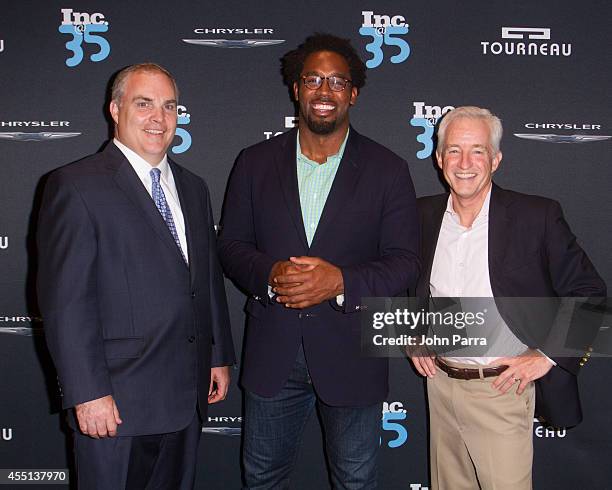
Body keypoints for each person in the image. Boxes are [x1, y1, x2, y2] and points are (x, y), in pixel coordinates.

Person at [218, 33, 420, 489]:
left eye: (336, 81)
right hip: (274, 353)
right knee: (262, 477)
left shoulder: (388, 169)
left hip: (352, 354)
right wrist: (270, 274)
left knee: (355, 480)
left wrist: (341, 281)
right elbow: (230, 246)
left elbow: (405, 261)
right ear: (296, 87)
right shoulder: (254, 163)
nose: (324, 91)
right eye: (313, 79)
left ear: (353, 93)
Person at [37, 63, 235, 489]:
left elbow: (205, 280)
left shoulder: (194, 186)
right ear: (115, 108)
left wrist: (218, 353)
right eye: (143, 104)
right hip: (116, 402)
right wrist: (87, 392)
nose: (158, 118)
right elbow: (66, 302)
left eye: (169, 106)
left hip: (186, 395)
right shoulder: (74, 185)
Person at [409, 106, 606, 490]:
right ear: (438, 158)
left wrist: (548, 354)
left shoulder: (537, 216)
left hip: (501, 392)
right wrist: (414, 336)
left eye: (478, 151)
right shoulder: (421, 215)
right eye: (454, 150)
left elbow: (590, 293)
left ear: (496, 159)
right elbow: (409, 284)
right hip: (440, 388)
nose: (465, 163)